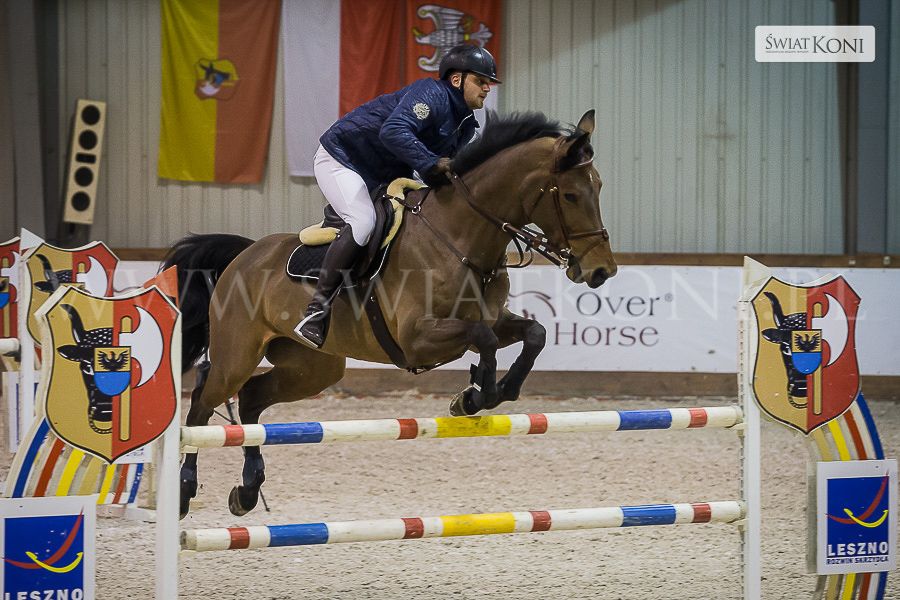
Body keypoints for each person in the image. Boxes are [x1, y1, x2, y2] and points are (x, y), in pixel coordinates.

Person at [294, 44, 501, 348]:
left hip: (383, 174)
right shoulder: (431, 93)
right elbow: (393, 131)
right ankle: (316, 311)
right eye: (481, 81)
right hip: (343, 158)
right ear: (457, 80)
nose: (487, 88)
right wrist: (434, 163)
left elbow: (435, 174)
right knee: (363, 222)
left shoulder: (466, 125)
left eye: (489, 83)